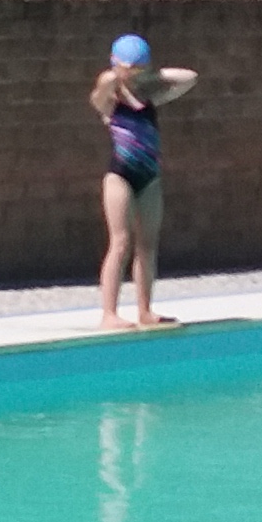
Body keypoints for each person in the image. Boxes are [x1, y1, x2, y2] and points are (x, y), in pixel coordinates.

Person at [91, 32, 198, 327]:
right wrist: (119, 71)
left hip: (149, 177)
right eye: (131, 68)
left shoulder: (150, 98)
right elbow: (103, 84)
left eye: (141, 69)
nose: (135, 74)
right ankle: (109, 313)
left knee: (147, 245)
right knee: (120, 242)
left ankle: (145, 310)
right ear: (116, 65)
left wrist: (151, 74)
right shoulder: (109, 101)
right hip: (120, 177)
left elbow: (189, 78)